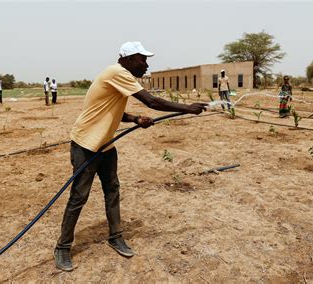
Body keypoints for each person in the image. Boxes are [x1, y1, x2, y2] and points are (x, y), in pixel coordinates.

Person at [54, 41, 207, 272]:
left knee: (112, 190)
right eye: (142, 59)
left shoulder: (118, 75)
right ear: (127, 59)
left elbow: (113, 109)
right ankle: (62, 247)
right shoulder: (118, 72)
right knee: (79, 197)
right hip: (86, 145)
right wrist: (187, 108)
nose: (146, 64)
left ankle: (115, 236)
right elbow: (152, 101)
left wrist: (135, 119)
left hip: (105, 145)